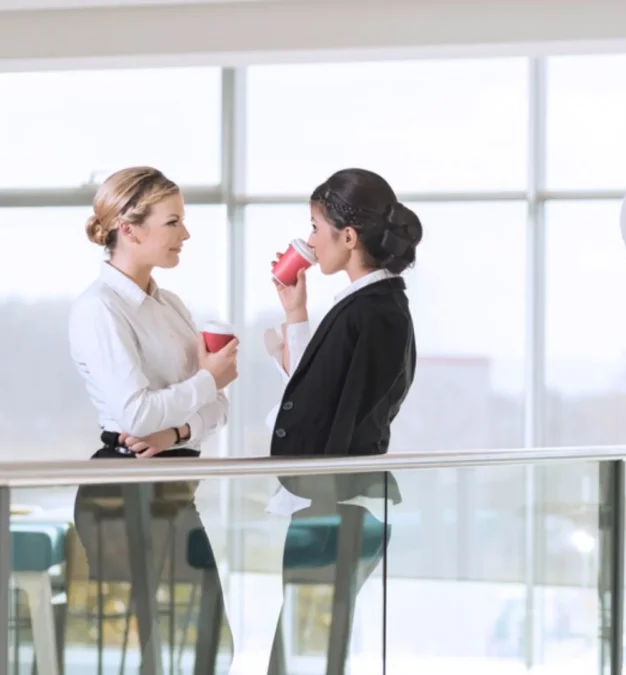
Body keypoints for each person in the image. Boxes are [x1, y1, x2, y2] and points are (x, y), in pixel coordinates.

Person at [68, 166, 238, 672]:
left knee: (207, 645)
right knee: (165, 651)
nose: (185, 234)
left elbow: (219, 409)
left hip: (169, 486)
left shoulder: (172, 306)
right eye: (173, 222)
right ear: (130, 227)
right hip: (124, 494)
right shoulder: (99, 310)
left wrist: (176, 430)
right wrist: (206, 381)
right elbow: (133, 413)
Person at [262, 168, 421, 673]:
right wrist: (296, 315)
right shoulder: (367, 305)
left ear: (347, 237)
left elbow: (343, 410)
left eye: (314, 226)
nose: (308, 241)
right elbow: (328, 392)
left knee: (307, 651)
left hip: (335, 505)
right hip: (335, 503)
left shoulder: (374, 312)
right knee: (307, 646)